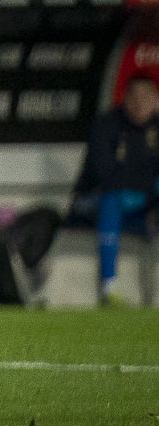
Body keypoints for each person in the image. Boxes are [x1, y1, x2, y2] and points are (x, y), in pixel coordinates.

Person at [73, 76, 159, 306]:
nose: (141, 103)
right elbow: (107, 175)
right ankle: (108, 286)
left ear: (157, 101)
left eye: (147, 97)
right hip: (92, 202)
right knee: (113, 199)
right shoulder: (106, 126)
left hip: (141, 205)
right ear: (124, 100)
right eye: (135, 97)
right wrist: (148, 188)